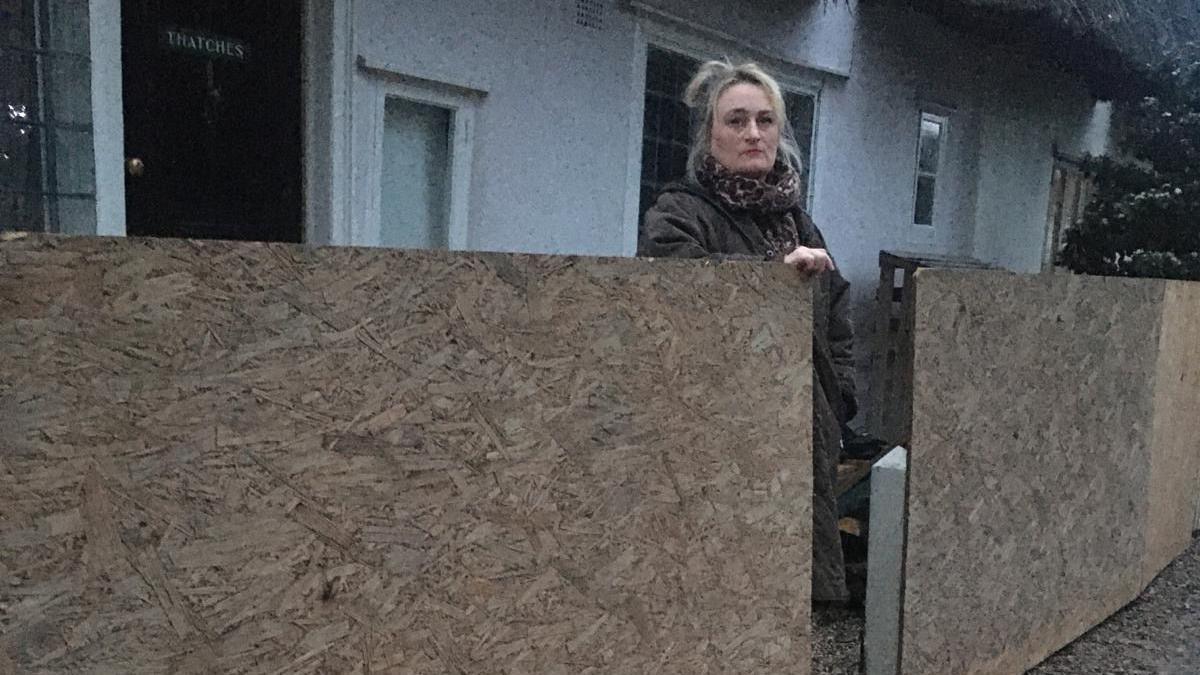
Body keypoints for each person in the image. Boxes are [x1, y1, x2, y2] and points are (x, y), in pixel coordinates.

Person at [639, 60, 857, 603]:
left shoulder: (797, 221)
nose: (753, 134)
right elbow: (681, 307)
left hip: (803, 439)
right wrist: (775, 280)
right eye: (736, 121)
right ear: (708, 135)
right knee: (722, 598)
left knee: (795, 596)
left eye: (765, 120)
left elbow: (839, 318)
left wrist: (839, 398)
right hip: (717, 443)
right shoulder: (677, 215)